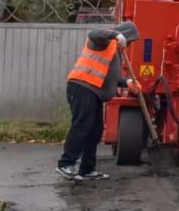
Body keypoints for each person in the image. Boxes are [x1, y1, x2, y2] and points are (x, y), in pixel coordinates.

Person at [57, 20, 140, 181]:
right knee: (82, 126)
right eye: (129, 41)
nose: (129, 45)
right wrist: (115, 34)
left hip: (93, 92)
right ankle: (65, 163)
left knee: (95, 131)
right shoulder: (103, 42)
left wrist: (127, 82)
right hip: (82, 86)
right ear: (124, 35)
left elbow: (113, 77)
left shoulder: (114, 52)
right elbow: (94, 33)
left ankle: (87, 169)